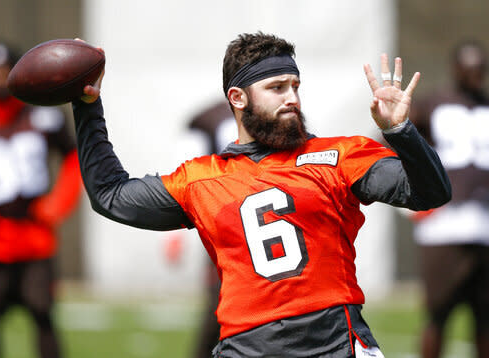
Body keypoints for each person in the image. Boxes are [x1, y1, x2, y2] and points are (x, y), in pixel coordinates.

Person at [73, 33, 451, 357]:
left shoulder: (339, 156)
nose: (292, 99)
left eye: (295, 86)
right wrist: (87, 107)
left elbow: (430, 193)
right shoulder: (202, 179)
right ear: (238, 98)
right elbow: (110, 195)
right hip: (247, 345)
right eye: (276, 88)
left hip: (335, 341)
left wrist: (401, 130)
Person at [0, 41, 82, 358]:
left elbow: (74, 157)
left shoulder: (40, 113)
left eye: (5, 71)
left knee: (42, 314)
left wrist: (58, 202)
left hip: (33, 237)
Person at [409, 41, 489, 358]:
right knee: (438, 313)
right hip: (444, 225)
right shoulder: (432, 104)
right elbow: (395, 143)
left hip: (483, 226)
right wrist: (409, 200)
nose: (474, 75)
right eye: (469, 68)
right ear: (454, 68)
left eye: (480, 68)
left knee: (485, 316)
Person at [185, 101, 236, 358]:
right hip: (223, 227)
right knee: (218, 306)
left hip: (260, 218)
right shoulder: (216, 116)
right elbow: (192, 123)